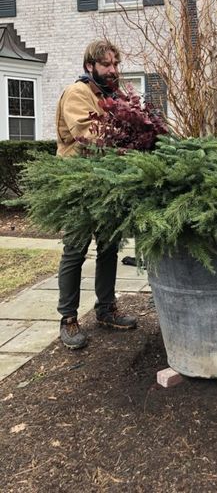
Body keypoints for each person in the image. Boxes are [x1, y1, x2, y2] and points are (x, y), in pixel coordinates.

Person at [55, 38, 137, 349]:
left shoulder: (111, 94)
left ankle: (106, 309)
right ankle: (68, 318)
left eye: (116, 64)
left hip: (106, 183)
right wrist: (126, 136)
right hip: (79, 183)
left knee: (108, 247)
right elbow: (86, 134)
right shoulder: (78, 93)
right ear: (91, 66)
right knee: (75, 251)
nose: (113, 69)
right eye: (107, 64)